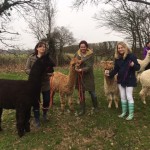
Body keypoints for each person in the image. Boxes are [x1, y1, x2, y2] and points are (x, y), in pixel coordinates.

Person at [105, 42, 140, 120]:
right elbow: (116, 70)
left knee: (129, 96)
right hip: (121, 80)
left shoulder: (131, 56)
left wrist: (133, 65)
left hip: (130, 80)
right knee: (123, 96)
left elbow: (138, 67)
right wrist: (109, 74)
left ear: (125, 47)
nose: (120, 49)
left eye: (122, 47)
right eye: (119, 48)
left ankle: (131, 114)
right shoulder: (117, 58)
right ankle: (124, 112)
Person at [25, 41, 55, 127]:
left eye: (44, 47)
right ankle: (37, 118)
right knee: (35, 101)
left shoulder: (48, 58)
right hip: (34, 83)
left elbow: (51, 69)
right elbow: (26, 69)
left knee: (46, 100)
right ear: (37, 48)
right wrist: (34, 73)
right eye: (40, 46)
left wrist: (50, 73)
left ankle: (45, 114)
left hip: (45, 83)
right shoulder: (31, 58)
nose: (42, 48)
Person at [74, 40, 98, 116]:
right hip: (80, 77)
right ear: (79, 47)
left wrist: (82, 69)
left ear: (86, 47)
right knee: (81, 93)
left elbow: (89, 66)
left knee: (92, 93)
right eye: (81, 47)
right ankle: (82, 109)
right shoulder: (77, 54)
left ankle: (96, 107)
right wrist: (75, 67)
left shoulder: (90, 55)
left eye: (84, 47)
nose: (83, 48)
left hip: (88, 76)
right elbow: (74, 62)